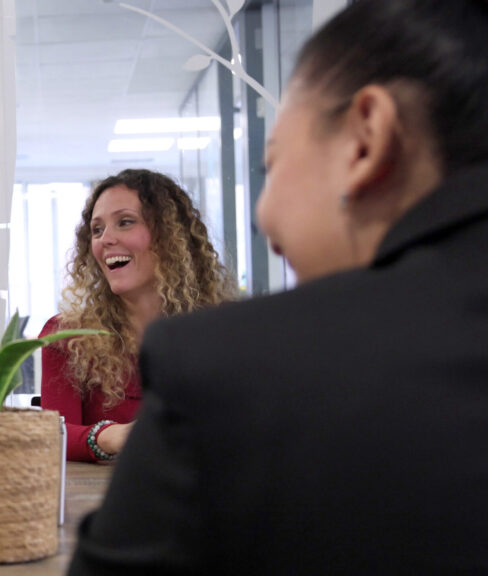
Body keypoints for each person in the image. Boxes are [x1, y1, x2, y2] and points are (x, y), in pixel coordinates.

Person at [69, 0, 488, 573]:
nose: (264, 216)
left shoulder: (225, 364)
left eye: (274, 163)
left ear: (367, 138)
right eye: (97, 229)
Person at [40, 169, 236, 462]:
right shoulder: (67, 336)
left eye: (125, 222)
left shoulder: (226, 329)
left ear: (169, 236)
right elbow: (51, 435)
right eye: (97, 230)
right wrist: (110, 436)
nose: (106, 239)